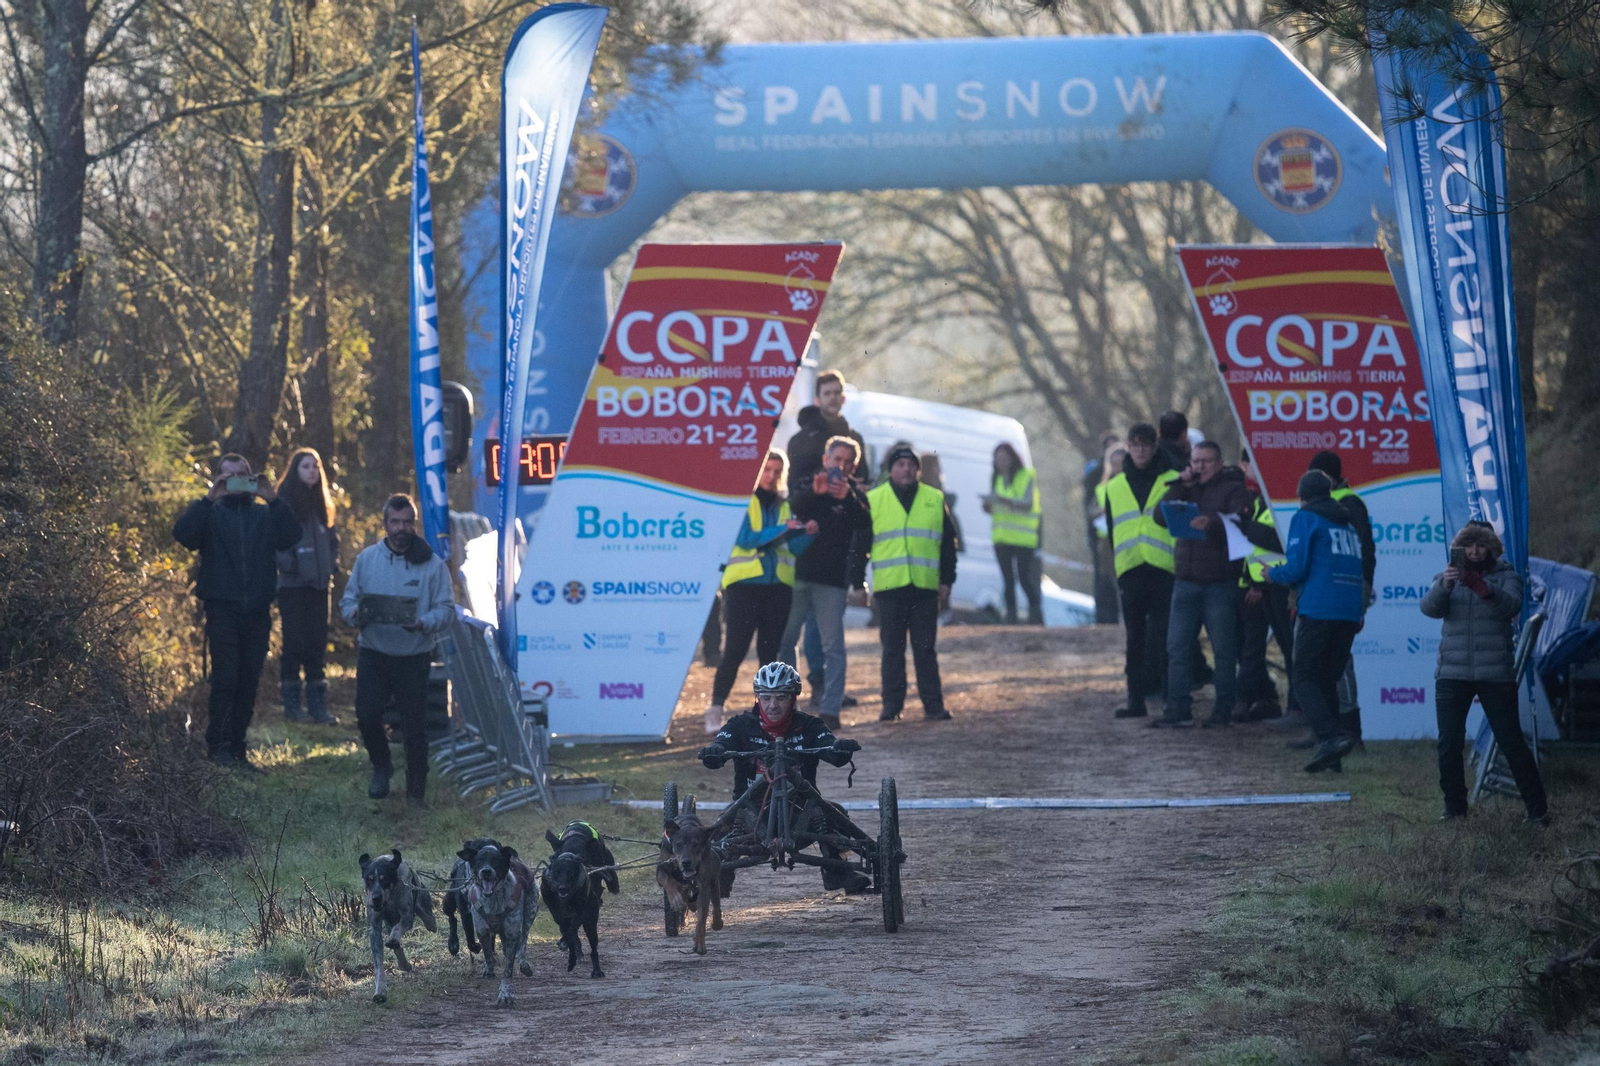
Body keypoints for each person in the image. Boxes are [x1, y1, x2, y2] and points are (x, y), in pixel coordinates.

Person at [172, 453, 302, 770]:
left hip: (257, 610)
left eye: (241, 475)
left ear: (251, 477)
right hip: (222, 609)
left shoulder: (264, 515)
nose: (235, 482)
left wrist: (273, 499)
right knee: (225, 679)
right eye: (227, 477)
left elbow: (291, 537)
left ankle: (238, 749)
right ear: (218, 479)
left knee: (248, 680)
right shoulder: (211, 513)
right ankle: (218, 747)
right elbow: (184, 536)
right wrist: (207, 499)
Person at [699, 661, 866, 892]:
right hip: (749, 813)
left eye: (780, 697)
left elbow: (831, 750)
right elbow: (718, 749)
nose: (772, 705)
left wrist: (840, 747)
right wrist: (714, 750)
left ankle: (838, 872)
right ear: (757, 698)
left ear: (793, 698)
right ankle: (720, 877)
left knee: (834, 814)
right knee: (719, 829)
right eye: (766, 697)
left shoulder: (810, 726)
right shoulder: (740, 725)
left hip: (801, 813)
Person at [1421, 523, 1548, 823]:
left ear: (1492, 548)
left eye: (1481, 545)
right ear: (1460, 548)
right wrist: (1445, 586)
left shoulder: (1508, 576)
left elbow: (1512, 606)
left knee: (1511, 741)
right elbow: (1429, 608)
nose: (1475, 551)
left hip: (1495, 674)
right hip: (1452, 673)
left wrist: (1484, 588)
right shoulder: (1447, 576)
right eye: (1469, 545)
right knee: (1449, 743)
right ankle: (1454, 810)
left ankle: (1538, 811)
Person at [340, 494, 456, 806]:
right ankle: (381, 766)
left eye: (407, 522)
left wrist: (424, 622)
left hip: (414, 655)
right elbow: (348, 600)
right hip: (374, 651)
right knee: (366, 716)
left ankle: (416, 792)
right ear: (385, 524)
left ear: (414, 524)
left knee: (415, 727)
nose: (401, 528)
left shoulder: (433, 565)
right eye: (395, 522)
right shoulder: (367, 559)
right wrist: (353, 614)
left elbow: (447, 609)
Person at [706, 451, 817, 733]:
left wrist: (808, 534)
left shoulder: (785, 505)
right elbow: (745, 539)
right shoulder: (742, 502)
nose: (771, 476)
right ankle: (715, 710)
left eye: (777, 471)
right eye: (767, 469)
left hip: (778, 588)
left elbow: (791, 548)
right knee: (735, 650)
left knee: (771, 654)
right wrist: (784, 529)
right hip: (743, 587)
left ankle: (770, 717)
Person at [1264, 473, 1365, 772]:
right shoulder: (1346, 523)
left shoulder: (1306, 518)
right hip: (1347, 611)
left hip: (1319, 609)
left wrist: (1273, 574)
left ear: (1302, 496)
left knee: (1304, 678)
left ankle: (1330, 738)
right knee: (1325, 680)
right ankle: (1332, 758)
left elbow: (1296, 568)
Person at [1152, 441, 1254, 727]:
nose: (1199, 467)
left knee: (1223, 651)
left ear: (1219, 463)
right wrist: (1179, 487)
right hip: (1185, 581)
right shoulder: (1187, 487)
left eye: (1206, 461)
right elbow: (1160, 517)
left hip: (1219, 584)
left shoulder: (1234, 489)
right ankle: (1178, 711)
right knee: (1177, 648)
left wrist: (1211, 524)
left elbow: (1242, 525)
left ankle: (1223, 711)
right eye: (1195, 461)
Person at [785, 370, 868, 707]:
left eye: (838, 393)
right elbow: (794, 492)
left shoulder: (854, 437)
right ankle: (796, 690)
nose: (834, 398)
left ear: (844, 398)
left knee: (826, 633)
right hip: (805, 547)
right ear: (818, 398)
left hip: (837, 549)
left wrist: (852, 492)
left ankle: (823, 690)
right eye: (827, 393)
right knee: (793, 634)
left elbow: (863, 498)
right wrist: (816, 488)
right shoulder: (802, 439)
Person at [779, 436, 872, 730]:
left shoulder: (854, 495)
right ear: (825, 459)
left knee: (833, 647)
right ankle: (784, 705)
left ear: (854, 466)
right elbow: (793, 506)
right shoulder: (811, 485)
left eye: (846, 462)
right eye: (836, 460)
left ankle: (830, 709)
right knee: (785, 640)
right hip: (798, 576)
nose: (840, 466)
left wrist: (847, 498)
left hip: (831, 582)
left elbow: (864, 526)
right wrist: (814, 494)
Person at [868, 446, 958, 722]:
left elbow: (947, 544)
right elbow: (860, 544)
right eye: (900, 465)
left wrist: (947, 580)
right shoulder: (873, 499)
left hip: (923, 588)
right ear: (890, 470)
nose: (906, 470)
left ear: (918, 470)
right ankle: (891, 707)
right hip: (890, 588)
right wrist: (856, 582)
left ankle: (933, 706)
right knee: (892, 651)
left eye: (910, 465)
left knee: (925, 649)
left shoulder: (934, 498)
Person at [1104, 424, 1179, 718]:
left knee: (1166, 638)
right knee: (1134, 638)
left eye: (1146, 444)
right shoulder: (1114, 486)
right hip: (1131, 568)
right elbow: (1113, 530)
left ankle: (1170, 700)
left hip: (1164, 567)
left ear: (1155, 446)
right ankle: (1136, 700)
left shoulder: (1173, 480)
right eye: (1135, 444)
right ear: (1128, 446)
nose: (1140, 450)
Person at [1308, 451, 1377, 746]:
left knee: (1340, 662)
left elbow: (1364, 553)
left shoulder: (1349, 504)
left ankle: (1350, 730)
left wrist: (1360, 596)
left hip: (1343, 595)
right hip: (1323, 594)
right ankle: (1327, 729)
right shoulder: (1322, 504)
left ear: (1329, 477)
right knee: (1321, 663)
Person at [274, 448, 340, 725]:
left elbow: (332, 542)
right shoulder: (284, 503)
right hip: (292, 586)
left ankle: (317, 706)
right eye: (305, 467)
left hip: (319, 585)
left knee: (317, 644)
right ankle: (291, 705)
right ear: (294, 470)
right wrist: (291, 565)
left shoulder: (323, 505)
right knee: (294, 644)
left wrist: (331, 565)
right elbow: (277, 542)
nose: (312, 471)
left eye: (315, 466)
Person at [1235, 455, 1294, 721]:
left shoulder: (1281, 500)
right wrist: (1252, 582)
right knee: (1258, 648)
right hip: (1263, 585)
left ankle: (1297, 709)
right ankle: (1254, 701)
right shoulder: (1258, 500)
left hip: (1282, 586)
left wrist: (1246, 527)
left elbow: (1281, 541)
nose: (1250, 470)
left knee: (1290, 648)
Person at [984, 442, 1044, 625]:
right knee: (1008, 580)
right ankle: (1011, 620)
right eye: (998, 458)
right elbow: (996, 508)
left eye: (1004, 457)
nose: (1001, 462)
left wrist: (1003, 500)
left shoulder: (1026, 476)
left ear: (1012, 458)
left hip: (1023, 539)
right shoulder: (996, 478)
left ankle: (1036, 616)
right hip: (1002, 537)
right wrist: (989, 506)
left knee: (1025, 579)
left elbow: (1028, 504)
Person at [1086, 433, 1124, 625]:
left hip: (1126, 539)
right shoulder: (1102, 487)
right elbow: (1090, 509)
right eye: (1114, 463)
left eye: (1121, 463)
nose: (1117, 467)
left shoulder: (1132, 485)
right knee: (1106, 582)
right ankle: (1106, 620)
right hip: (1106, 541)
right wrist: (1100, 511)